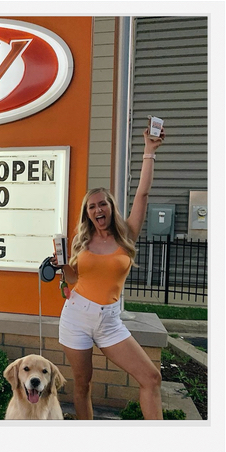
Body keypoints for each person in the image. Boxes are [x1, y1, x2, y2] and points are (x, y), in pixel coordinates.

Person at [52, 126, 165, 420]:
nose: (98, 209)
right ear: (88, 213)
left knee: (151, 378)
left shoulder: (126, 234)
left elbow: (142, 194)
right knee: (83, 385)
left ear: (111, 207)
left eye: (102, 203)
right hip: (76, 317)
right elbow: (75, 279)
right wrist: (62, 267)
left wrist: (149, 151)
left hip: (110, 322)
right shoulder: (81, 241)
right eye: (92, 206)